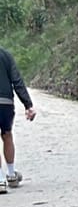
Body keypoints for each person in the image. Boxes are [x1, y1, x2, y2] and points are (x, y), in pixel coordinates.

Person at [0, 45, 37, 191]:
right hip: (6, 103)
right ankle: (11, 174)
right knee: (7, 135)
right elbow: (17, 81)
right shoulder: (6, 55)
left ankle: (0, 180)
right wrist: (28, 105)